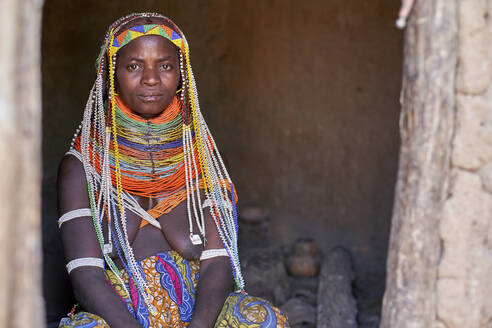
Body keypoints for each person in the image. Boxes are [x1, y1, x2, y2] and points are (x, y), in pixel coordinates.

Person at [56, 13, 289, 328]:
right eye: (134, 66)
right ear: (111, 74)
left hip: (203, 316)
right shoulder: (83, 166)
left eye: (164, 66)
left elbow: (217, 265)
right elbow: (86, 277)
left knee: (262, 320)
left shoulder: (202, 158)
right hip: (117, 319)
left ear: (181, 73)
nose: (151, 79)